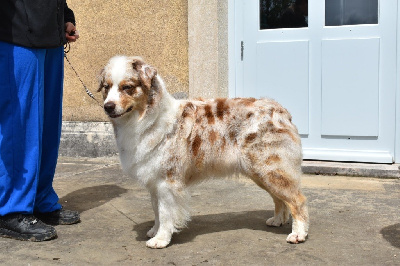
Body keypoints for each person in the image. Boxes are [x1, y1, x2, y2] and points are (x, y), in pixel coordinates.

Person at [0, 1, 80, 241]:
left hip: (51, 36)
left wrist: (65, 16)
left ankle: (40, 199)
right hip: (16, 38)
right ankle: (11, 209)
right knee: (20, 126)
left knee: (47, 126)